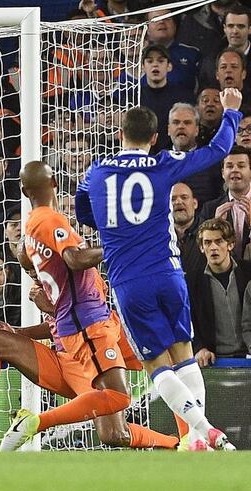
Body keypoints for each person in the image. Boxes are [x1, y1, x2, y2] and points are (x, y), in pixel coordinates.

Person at [0, 162, 179, 452]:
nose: (35, 274)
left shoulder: (33, 246)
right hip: (80, 342)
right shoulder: (48, 233)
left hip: (85, 342)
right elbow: (72, 272)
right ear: (55, 184)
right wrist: (123, 247)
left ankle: (180, 443)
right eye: (32, 271)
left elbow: (62, 309)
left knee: (116, 432)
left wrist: (29, 323)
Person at [76, 91, 242, 451]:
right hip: (169, 274)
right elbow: (217, 150)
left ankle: (206, 430)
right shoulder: (164, 162)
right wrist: (230, 112)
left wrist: (106, 222)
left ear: (120, 134)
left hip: (130, 281)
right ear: (155, 138)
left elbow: (83, 209)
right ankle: (196, 438)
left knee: (156, 364)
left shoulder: (97, 172)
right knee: (183, 352)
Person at [187, 218, 251, 366]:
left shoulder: (248, 273)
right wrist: (199, 348)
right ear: (202, 248)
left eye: (219, 241)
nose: (213, 247)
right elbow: (188, 322)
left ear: (230, 244)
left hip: (248, 357)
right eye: (207, 243)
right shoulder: (192, 282)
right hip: (214, 361)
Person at [167, 102, 224, 207]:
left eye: (187, 123)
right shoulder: (159, 161)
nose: (181, 127)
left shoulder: (211, 161)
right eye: (176, 122)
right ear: (168, 129)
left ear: (197, 130)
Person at [200, 146, 251, 260]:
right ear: (223, 173)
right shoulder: (210, 209)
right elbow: (201, 253)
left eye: (241, 166)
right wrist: (216, 229)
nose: (235, 170)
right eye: (229, 166)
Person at [171, 182, 205, 277]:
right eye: (172, 199)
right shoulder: (159, 237)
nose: (178, 202)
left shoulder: (209, 233)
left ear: (195, 203)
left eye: (184, 197)